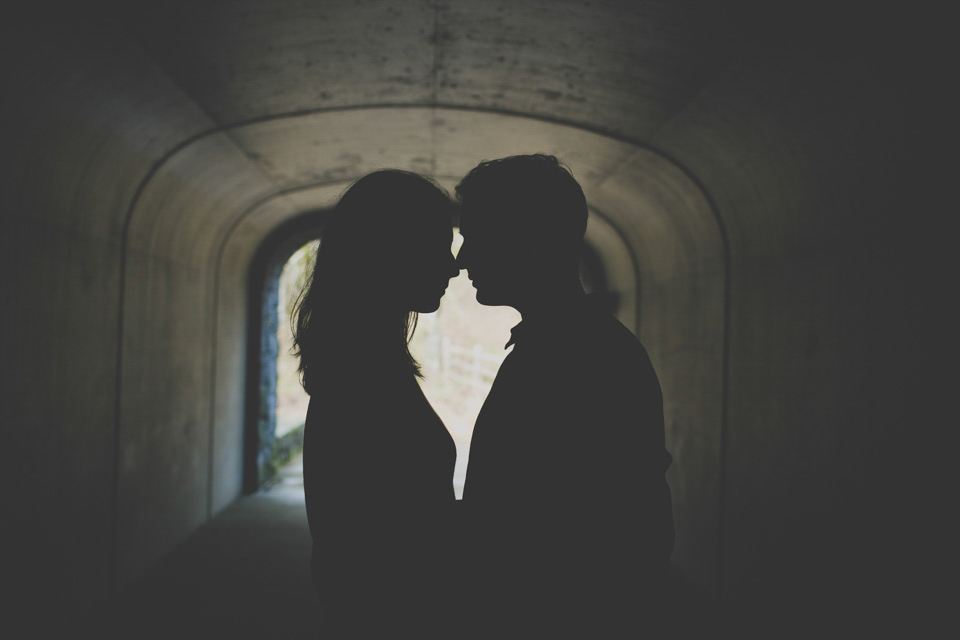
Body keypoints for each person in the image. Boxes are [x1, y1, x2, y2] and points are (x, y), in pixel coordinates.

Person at [455, 154, 675, 635]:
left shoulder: (581, 357)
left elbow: (620, 536)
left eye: (475, 237)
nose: (461, 259)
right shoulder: (577, 344)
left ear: (529, 242)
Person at [293, 170, 460, 638]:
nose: (453, 268)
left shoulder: (361, 360)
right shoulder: (363, 374)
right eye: (438, 247)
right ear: (392, 253)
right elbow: (385, 538)